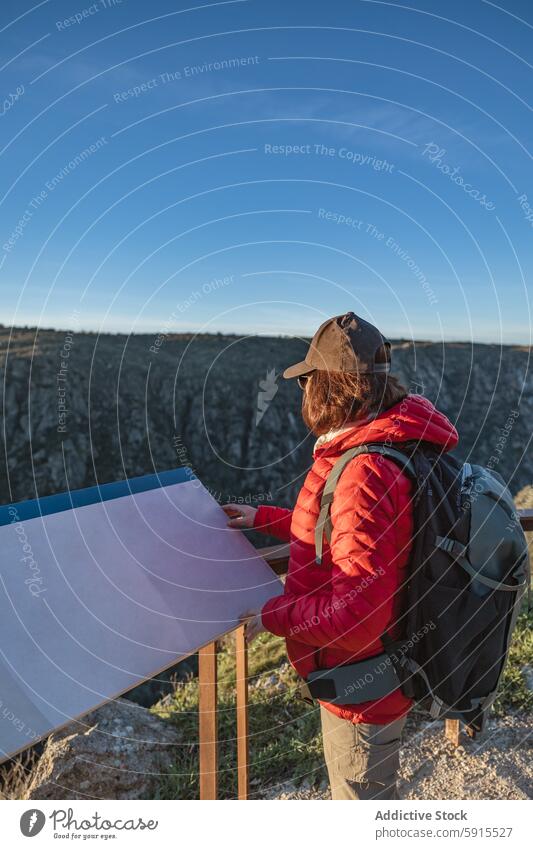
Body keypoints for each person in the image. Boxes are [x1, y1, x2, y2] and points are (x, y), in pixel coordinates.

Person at [223, 312, 459, 800]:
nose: (301, 393)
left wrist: (271, 616)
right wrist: (265, 517)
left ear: (328, 388)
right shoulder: (393, 443)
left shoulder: (365, 470)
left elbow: (355, 616)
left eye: (308, 381)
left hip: (364, 681)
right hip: (392, 660)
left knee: (361, 802)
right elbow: (357, 534)